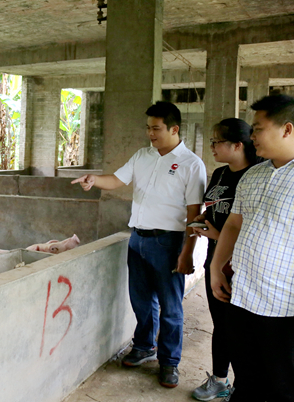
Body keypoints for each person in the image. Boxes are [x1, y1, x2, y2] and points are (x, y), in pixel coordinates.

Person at [72, 101, 206, 388]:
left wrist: (187, 251)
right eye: (148, 128)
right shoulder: (142, 156)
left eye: (156, 128)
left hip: (168, 241)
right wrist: (93, 179)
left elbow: (194, 214)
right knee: (142, 301)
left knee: (171, 307)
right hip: (138, 239)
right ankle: (145, 345)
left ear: (174, 129)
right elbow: (117, 180)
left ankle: (170, 362)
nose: (150, 133)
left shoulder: (191, 164)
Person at [209, 94, 294, 401]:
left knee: (284, 388)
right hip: (243, 299)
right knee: (247, 382)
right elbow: (234, 224)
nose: (251, 137)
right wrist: (215, 267)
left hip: (287, 310)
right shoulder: (253, 175)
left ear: (287, 129)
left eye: (258, 129)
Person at [189, 118, 262, 401]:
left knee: (242, 328)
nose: (212, 146)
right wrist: (202, 220)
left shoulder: (256, 176)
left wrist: (217, 233)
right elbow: (212, 207)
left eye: (217, 141)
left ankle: (245, 386)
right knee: (220, 324)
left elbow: (251, 226)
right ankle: (219, 379)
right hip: (215, 260)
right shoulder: (219, 174)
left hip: (242, 264)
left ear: (237, 145)